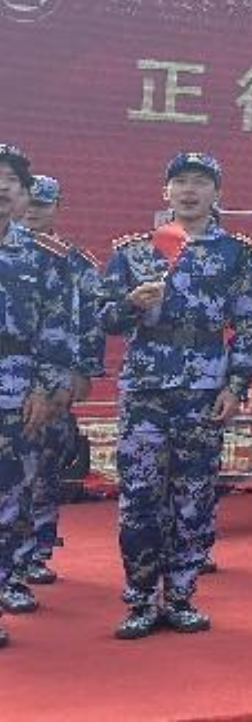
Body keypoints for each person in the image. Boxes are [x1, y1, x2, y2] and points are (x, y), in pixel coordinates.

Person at [101, 152, 252, 638]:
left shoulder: (239, 254)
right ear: (165, 191)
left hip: (204, 390)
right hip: (146, 390)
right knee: (140, 496)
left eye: (200, 182)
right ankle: (140, 598)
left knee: (194, 495)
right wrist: (130, 304)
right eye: (180, 182)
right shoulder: (135, 251)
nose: (189, 191)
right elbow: (103, 318)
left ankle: (180, 596)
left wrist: (236, 386)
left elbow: (249, 328)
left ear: (217, 193)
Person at [0, 145, 80, 650]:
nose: (1, 187)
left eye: (10, 180)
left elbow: (58, 330)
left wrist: (45, 388)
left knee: (10, 501)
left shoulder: (43, 258)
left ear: (25, 194)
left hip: (17, 393)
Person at [13, 174, 103, 591]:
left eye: (43, 205)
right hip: (10, 373)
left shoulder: (74, 261)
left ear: (57, 209)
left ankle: (36, 551)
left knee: (46, 467)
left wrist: (83, 372)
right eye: (30, 203)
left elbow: (90, 322)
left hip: (55, 378)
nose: (34, 212)